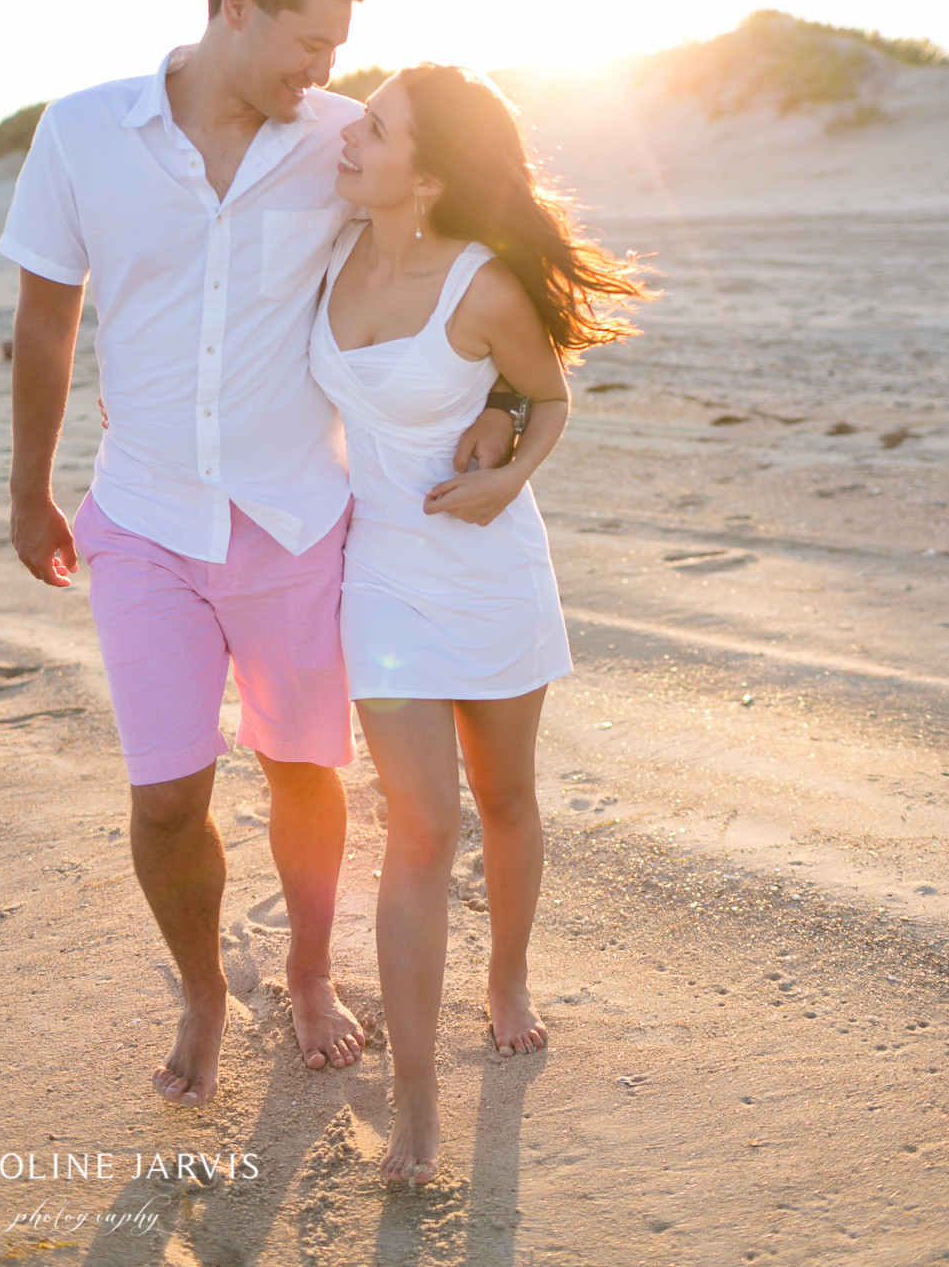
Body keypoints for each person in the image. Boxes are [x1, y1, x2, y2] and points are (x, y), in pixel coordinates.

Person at [0, 0, 514, 1108]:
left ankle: (308, 973)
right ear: (236, 5)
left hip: (296, 522)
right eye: (310, 42)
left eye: (337, 52)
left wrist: (504, 401)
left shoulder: (340, 140)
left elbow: (459, 250)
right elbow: (44, 320)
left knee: (301, 769)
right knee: (166, 796)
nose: (322, 72)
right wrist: (28, 489)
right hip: (144, 520)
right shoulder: (82, 132)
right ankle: (201, 991)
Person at [308, 62, 643, 1181]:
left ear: (428, 176)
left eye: (375, 129)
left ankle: (507, 974)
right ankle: (415, 1102)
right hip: (379, 576)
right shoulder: (325, 247)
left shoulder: (483, 285)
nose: (349, 137)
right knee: (419, 826)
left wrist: (509, 462)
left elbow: (547, 393)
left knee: (504, 799)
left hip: (488, 569)